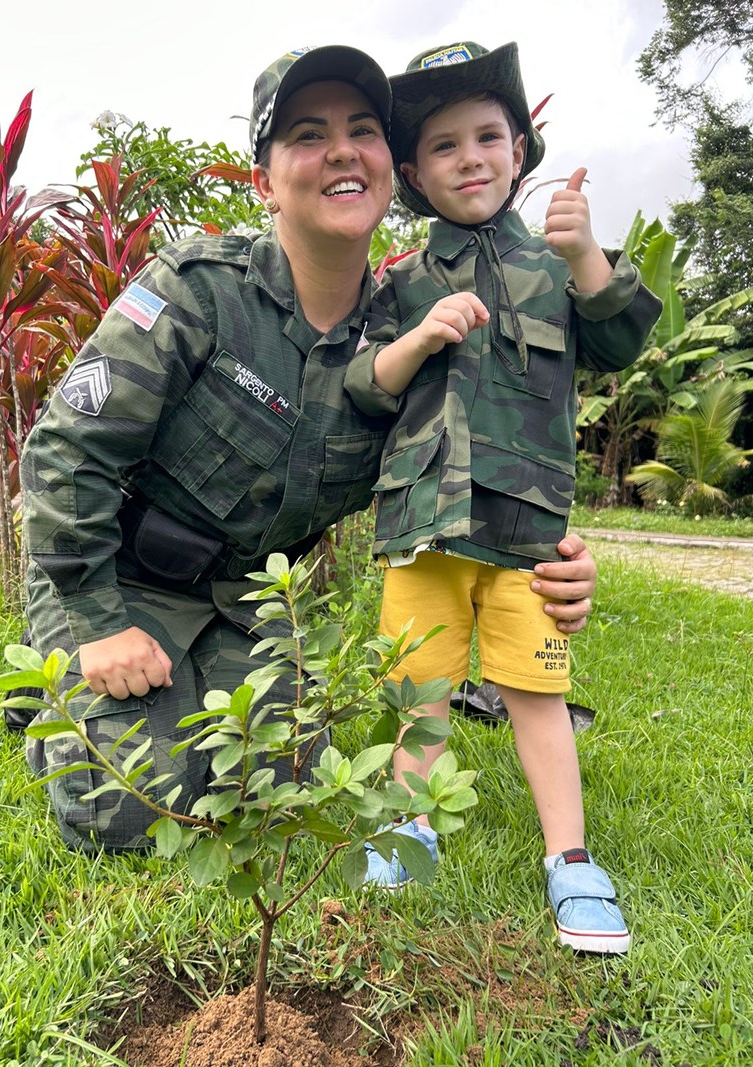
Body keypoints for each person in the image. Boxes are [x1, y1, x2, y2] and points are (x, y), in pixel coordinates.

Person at [20, 43, 599, 855]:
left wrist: (555, 555)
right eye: (305, 134)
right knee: (135, 813)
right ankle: (49, 690)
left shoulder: (411, 330)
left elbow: (496, 450)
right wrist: (95, 620)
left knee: (290, 788)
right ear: (264, 179)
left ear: (389, 172)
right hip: (118, 572)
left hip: (247, 603)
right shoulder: (198, 290)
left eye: (362, 130)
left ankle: (150, 687)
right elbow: (61, 455)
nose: (339, 150)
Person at [344, 41, 662, 953]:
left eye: (489, 137)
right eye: (444, 146)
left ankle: (571, 859)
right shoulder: (401, 280)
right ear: (412, 173)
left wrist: (590, 255)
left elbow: (624, 341)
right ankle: (409, 828)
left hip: (529, 536)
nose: (471, 158)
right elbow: (365, 383)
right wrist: (419, 339)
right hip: (423, 528)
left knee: (536, 692)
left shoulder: (559, 267)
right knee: (420, 690)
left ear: (519, 151)